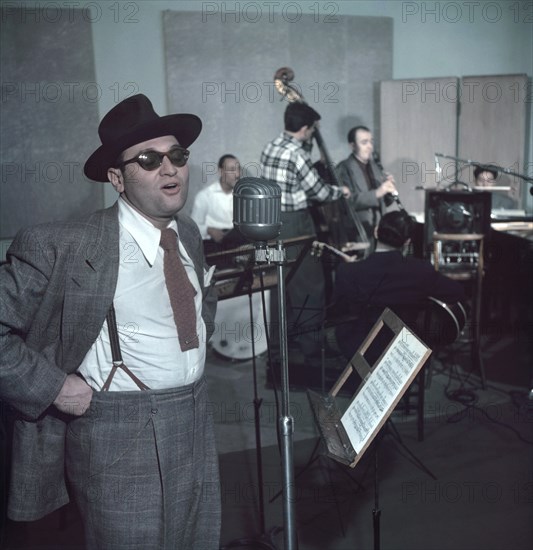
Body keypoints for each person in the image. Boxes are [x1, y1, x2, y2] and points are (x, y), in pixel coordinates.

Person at [0, 94, 220, 549]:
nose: (170, 168)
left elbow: (201, 310)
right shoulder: (60, 244)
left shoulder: (190, 234)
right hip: (120, 433)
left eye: (177, 156)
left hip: (196, 416)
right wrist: (54, 386)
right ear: (118, 178)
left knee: (199, 540)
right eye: (149, 159)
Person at [260, 102, 350, 364]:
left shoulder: (271, 146)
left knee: (282, 283)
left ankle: (279, 347)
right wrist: (340, 191)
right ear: (303, 128)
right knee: (311, 284)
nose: (312, 134)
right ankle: (311, 347)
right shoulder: (297, 155)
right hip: (295, 222)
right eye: (311, 130)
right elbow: (319, 192)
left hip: (272, 221)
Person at [333, 210, 465, 361]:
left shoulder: (346, 271)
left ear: (376, 232)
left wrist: (354, 268)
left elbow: (339, 312)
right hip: (401, 349)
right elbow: (457, 293)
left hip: (356, 347)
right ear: (407, 242)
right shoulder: (420, 271)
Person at [336, 125, 399, 245]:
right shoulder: (343, 168)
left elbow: (384, 203)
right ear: (352, 145)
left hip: (379, 231)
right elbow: (347, 203)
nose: (370, 146)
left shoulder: (376, 167)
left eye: (371, 142)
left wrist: (389, 192)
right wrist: (377, 193)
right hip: (358, 232)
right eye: (364, 142)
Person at [191, 153, 241, 251]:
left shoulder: (243, 195)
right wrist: (208, 230)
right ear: (221, 171)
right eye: (232, 170)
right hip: (214, 244)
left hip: (238, 241)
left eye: (239, 169)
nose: (237, 174)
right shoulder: (205, 196)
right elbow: (193, 228)